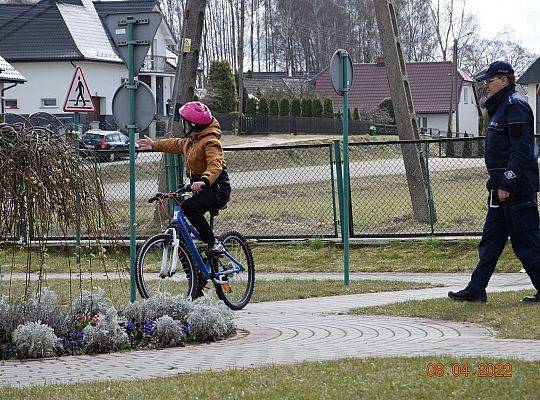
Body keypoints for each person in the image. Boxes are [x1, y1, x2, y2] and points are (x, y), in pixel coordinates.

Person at [448, 60, 540, 303]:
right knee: (491, 241)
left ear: (504, 79)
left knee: (527, 243)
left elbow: (521, 151)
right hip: (499, 191)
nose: (486, 84)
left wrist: (507, 184)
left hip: (516, 190)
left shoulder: (515, 107)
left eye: (490, 80)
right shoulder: (500, 108)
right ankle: (476, 289)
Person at [139, 101, 231, 257]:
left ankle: (213, 242)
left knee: (188, 206)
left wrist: (204, 180)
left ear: (193, 125)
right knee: (181, 235)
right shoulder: (192, 141)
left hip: (217, 188)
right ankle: (197, 275)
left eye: (185, 123)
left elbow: (215, 165)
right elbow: (175, 144)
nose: (183, 126)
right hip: (201, 188)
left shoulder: (211, 141)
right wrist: (154, 145)